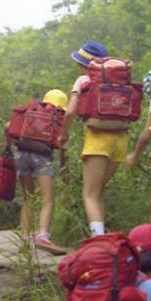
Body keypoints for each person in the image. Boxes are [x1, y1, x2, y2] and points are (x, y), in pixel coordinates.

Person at [59, 40, 125, 236]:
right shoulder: (117, 81)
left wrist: (64, 135)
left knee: (89, 194)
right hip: (120, 140)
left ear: (83, 64)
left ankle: (99, 241)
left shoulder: (83, 81)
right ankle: (101, 236)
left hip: (98, 139)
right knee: (97, 193)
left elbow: (70, 112)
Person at [14, 88, 68, 250]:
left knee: (27, 198)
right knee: (47, 200)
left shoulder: (30, 112)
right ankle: (42, 235)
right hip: (43, 159)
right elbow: (64, 149)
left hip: (22, 156)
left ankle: (24, 237)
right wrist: (66, 176)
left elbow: (8, 127)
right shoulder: (59, 120)